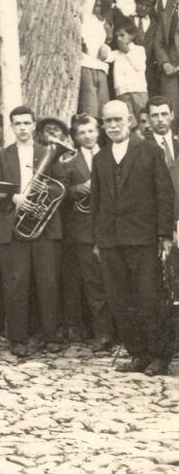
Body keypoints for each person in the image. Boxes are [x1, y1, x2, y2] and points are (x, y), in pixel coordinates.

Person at [90, 99, 175, 375]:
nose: (113, 126)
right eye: (108, 121)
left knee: (149, 298)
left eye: (118, 120)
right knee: (120, 299)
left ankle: (160, 357)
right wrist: (97, 239)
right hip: (111, 241)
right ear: (103, 125)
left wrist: (164, 234)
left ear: (130, 120)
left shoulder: (149, 151)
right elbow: (97, 201)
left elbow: (164, 194)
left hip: (143, 238)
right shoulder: (100, 158)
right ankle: (137, 353)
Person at [0, 107, 69, 358]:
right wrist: (15, 197)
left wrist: (42, 193)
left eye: (27, 123)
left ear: (34, 125)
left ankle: (51, 336)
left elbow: (62, 186)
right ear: (12, 127)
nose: (23, 128)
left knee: (48, 281)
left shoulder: (48, 152)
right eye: (18, 124)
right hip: (15, 228)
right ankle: (17, 338)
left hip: (45, 229)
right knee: (16, 282)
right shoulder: (2, 158)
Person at [60, 113, 105, 348]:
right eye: (82, 132)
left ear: (98, 132)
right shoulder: (69, 163)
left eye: (91, 130)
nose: (87, 135)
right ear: (76, 137)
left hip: (110, 229)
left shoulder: (110, 156)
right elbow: (61, 192)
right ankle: (102, 334)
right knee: (93, 285)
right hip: (84, 231)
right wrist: (80, 188)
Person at [109, 21, 149, 115]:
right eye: (117, 36)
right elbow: (105, 57)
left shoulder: (139, 50)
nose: (118, 39)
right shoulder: (116, 53)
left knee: (143, 117)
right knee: (128, 119)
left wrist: (127, 51)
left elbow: (139, 67)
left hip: (139, 92)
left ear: (132, 35)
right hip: (122, 93)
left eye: (122, 35)